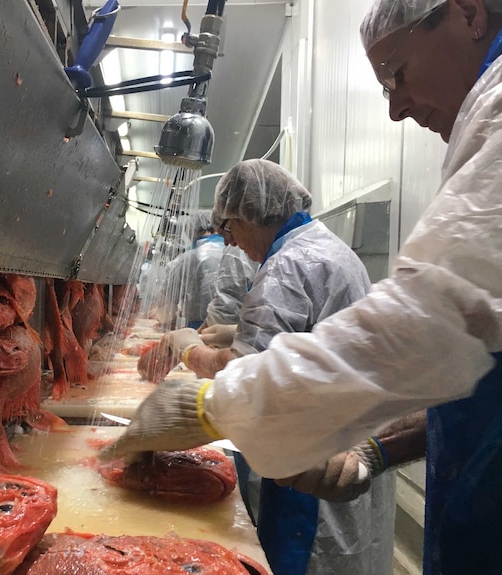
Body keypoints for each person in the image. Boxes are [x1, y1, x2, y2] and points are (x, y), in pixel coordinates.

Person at [101, 0, 502, 572]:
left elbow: (432, 323)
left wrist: (218, 404)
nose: (396, 109)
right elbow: (481, 357)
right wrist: (379, 449)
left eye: (398, 74)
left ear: (468, 13)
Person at [146, 159, 397, 575]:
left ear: (247, 214)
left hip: (316, 464)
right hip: (348, 438)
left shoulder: (287, 265)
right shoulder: (327, 247)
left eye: (228, 228)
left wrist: (189, 350)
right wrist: (234, 330)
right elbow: (314, 334)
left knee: (310, 560)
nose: (230, 242)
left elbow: (241, 374)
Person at [153, 210, 225, 329]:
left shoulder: (188, 258)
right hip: (237, 332)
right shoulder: (239, 253)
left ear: (193, 231)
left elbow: (166, 304)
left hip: (199, 331)